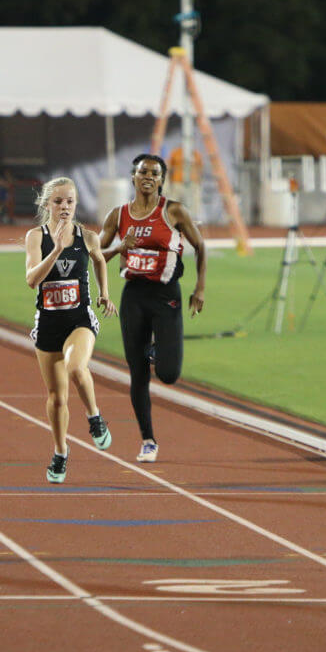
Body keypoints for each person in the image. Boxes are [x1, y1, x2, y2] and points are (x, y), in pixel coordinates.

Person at [99, 154, 207, 463]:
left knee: (169, 374)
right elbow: (97, 256)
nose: (148, 176)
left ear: (162, 179)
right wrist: (120, 248)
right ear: (132, 177)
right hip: (134, 295)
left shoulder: (173, 211)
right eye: (142, 171)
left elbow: (200, 247)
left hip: (166, 295)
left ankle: (154, 351)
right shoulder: (118, 215)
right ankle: (148, 440)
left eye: (155, 173)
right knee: (137, 374)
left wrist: (199, 288)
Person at [25, 177, 116, 483]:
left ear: (76, 204)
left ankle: (94, 418)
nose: (64, 207)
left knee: (77, 369)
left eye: (70, 201)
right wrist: (56, 251)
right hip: (49, 323)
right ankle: (61, 451)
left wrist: (104, 292)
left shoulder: (87, 237)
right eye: (58, 201)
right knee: (57, 397)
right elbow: (32, 280)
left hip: (79, 319)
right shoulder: (35, 237)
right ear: (47, 204)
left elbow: (100, 260)